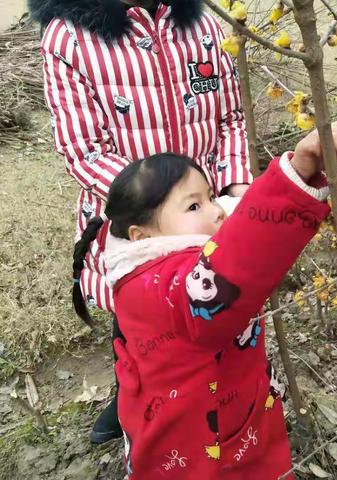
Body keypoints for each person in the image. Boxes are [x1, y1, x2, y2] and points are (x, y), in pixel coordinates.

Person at [72, 117, 337, 479]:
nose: (216, 210)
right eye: (193, 207)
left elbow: (236, 232)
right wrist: (296, 174)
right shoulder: (163, 283)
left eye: (211, 197)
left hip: (213, 416)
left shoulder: (142, 263)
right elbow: (231, 265)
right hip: (203, 448)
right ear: (142, 235)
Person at [29, 0, 253, 443]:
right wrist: (158, 208)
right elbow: (83, 149)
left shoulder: (205, 25)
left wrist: (232, 191)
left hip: (208, 213)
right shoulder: (69, 38)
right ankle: (129, 392)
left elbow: (230, 118)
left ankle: (213, 398)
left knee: (214, 308)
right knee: (137, 321)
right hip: (134, 225)